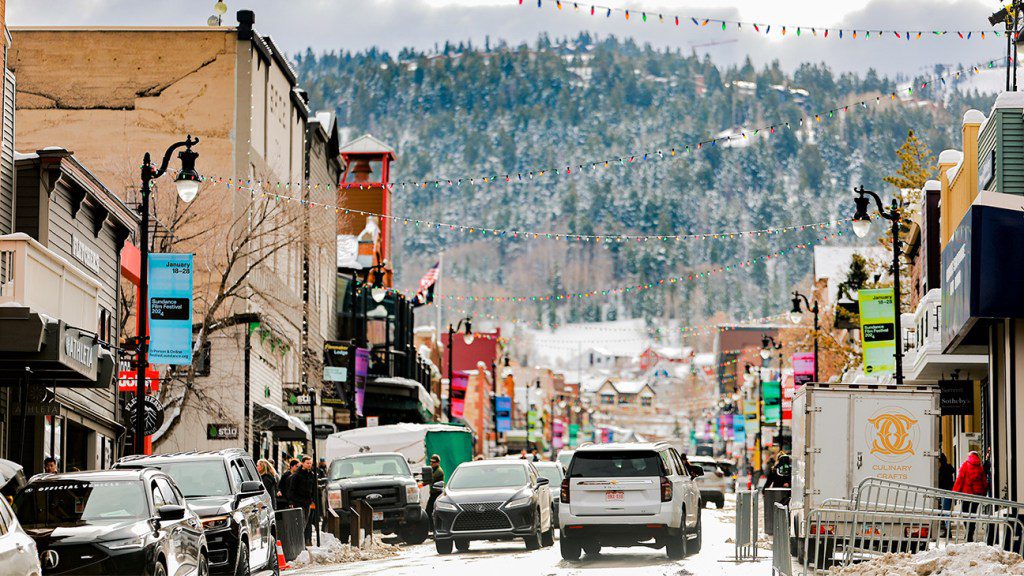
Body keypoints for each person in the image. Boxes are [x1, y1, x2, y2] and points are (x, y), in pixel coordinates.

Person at [953, 451, 989, 542]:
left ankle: (968, 532)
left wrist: (955, 492)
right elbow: (984, 482)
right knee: (973, 514)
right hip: (976, 495)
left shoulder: (965, 465)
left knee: (965, 514)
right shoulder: (980, 468)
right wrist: (984, 493)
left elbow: (960, 479)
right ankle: (970, 533)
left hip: (966, 495)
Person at [288, 456, 318, 545]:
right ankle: (299, 542)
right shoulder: (297, 475)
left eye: (310, 463)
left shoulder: (312, 475)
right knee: (300, 522)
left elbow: (313, 488)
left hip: (307, 501)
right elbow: (292, 489)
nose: (309, 465)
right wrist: (291, 502)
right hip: (298, 501)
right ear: (302, 463)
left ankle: (303, 541)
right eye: (307, 463)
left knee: (305, 521)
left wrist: (313, 499)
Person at [938, 453, 956, 536]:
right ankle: (947, 529)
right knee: (946, 510)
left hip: (944, 492)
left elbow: (941, 481)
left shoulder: (942, 469)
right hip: (949, 491)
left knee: (945, 511)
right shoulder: (949, 468)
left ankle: (948, 530)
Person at [425, 454, 445, 530]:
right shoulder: (433, 470)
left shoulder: (438, 471)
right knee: (430, 511)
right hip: (433, 494)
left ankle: (434, 529)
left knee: (429, 511)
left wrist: (422, 483)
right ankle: (433, 529)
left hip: (437, 495)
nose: (431, 463)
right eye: (430, 461)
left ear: (438, 463)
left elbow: (430, 479)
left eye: (433, 462)